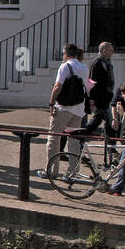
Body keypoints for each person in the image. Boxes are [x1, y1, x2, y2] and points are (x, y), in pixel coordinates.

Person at [41, 45, 89, 176]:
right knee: (74, 140)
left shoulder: (65, 66)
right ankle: (72, 172)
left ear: (66, 54)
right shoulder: (84, 68)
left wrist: (51, 103)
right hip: (79, 108)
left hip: (63, 107)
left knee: (54, 138)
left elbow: (58, 86)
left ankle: (51, 170)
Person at [81, 41, 117, 153]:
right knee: (109, 122)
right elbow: (92, 81)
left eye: (112, 50)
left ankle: (81, 138)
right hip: (100, 98)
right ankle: (111, 147)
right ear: (102, 50)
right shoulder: (96, 63)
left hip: (107, 97)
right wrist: (92, 99)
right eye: (110, 50)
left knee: (98, 122)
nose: (112, 52)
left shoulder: (108, 63)